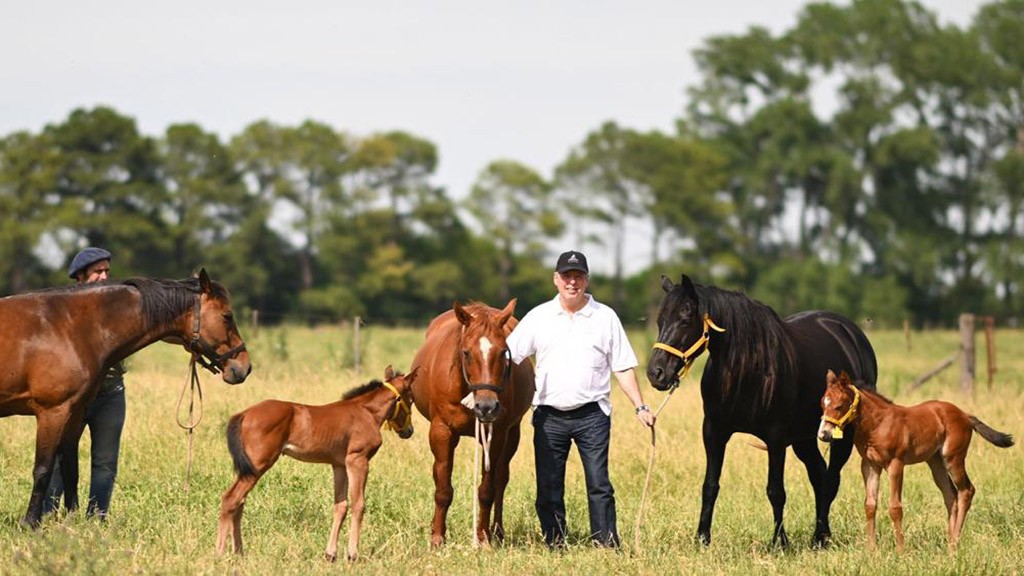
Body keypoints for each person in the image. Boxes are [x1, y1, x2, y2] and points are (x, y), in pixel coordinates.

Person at [506, 250, 656, 549]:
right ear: (556, 280)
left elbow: (623, 366)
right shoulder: (539, 317)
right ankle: (555, 542)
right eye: (566, 276)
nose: (572, 282)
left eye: (578, 276)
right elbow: (508, 358)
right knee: (548, 487)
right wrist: (479, 392)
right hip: (549, 415)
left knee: (599, 484)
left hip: (593, 415)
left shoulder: (605, 317)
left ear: (586, 280)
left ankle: (606, 543)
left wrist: (640, 406)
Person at [44, 247, 127, 520]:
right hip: (74, 395)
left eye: (107, 271)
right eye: (97, 272)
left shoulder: (119, 308)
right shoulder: (63, 311)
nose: (104, 277)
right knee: (58, 459)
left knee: (105, 462)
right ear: (80, 276)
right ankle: (48, 514)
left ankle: (97, 517)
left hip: (111, 394)